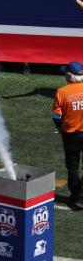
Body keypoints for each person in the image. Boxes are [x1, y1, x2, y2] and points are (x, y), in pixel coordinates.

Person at [53, 60, 83, 209]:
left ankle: (76, 195)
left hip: (71, 136)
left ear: (70, 75)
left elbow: (56, 117)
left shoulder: (62, 92)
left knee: (72, 167)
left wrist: (61, 130)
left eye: (66, 73)